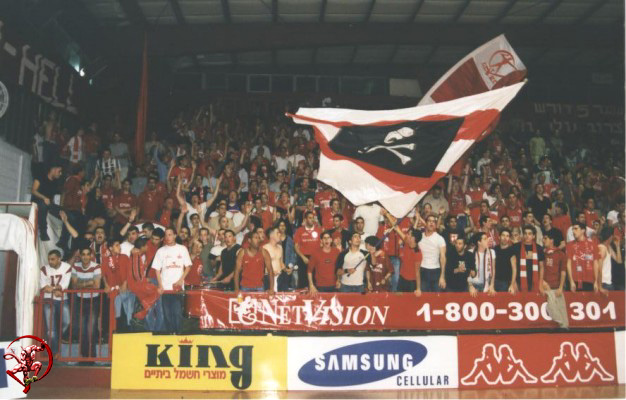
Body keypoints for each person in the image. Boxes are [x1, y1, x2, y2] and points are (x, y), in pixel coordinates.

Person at [152, 228, 192, 334]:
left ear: (175, 235)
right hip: (165, 288)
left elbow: (188, 266)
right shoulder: (160, 251)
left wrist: (180, 280)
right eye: (166, 235)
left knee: (177, 313)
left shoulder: (182, 249)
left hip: (177, 288)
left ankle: (178, 335)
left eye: (170, 234)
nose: (168, 237)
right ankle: (170, 335)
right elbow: (157, 269)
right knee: (167, 314)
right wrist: (160, 285)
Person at [70, 246, 101, 360]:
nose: (86, 257)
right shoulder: (75, 266)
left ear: (91, 255)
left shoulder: (96, 266)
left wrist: (81, 284)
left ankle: (92, 356)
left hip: (94, 300)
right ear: (80, 256)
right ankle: (83, 356)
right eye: (83, 254)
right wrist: (89, 283)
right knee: (82, 328)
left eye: (88, 254)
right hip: (80, 300)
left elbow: (97, 285)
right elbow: (74, 285)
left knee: (91, 328)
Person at [40, 249, 72, 356]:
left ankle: (56, 339)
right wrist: (55, 290)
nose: (50, 261)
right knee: (50, 329)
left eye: (53, 259)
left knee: (66, 322)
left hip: (63, 299)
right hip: (48, 300)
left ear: (59, 259)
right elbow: (44, 287)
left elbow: (64, 284)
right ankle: (54, 352)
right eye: (49, 259)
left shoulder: (66, 267)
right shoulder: (44, 269)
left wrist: (54, 289)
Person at [101, 239, 135, 332]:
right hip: (112, 292)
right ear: (111, 248)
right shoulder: (106, 260)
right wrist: (106, 285)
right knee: (114, 316)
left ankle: (126, 333)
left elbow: (130, 272)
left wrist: (125, 283)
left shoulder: (124, 257)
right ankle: (113, 336)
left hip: (125, 290)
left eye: (119, 245)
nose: (119, 247)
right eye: (116, 245)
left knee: (126, 313)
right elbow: (103, 274)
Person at [539, 230, 568, 328]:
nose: (543, 240)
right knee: (551, 307)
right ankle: (560, 324)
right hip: (546, 287)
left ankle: (565, 329)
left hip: (557, 287)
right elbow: (539, 269)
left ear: (551, 240)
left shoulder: (560, 254)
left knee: (562, 311)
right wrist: (542, 282)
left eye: (545, 238)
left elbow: (563, 272)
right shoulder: (542, 253)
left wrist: (561, 287)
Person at [31, 163, 63, 241]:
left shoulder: (55, 182)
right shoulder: (41, 177)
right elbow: (33, 191)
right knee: (43, 205)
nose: (60, 173)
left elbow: (58, 195)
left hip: (48, 203)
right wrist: (44, 198)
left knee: (63, 211)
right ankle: (43, 231)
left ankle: (62, 240)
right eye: (59, 171)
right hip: (37, 201)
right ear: (53, 169)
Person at [566, 222, 601, 292]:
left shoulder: (593, 245)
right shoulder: (570, 245)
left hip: (589, 281)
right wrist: (571, 281)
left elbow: (596, 264)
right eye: (572, 229)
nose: (573, 231)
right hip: (575, 281)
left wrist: (596, 282)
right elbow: (568, 264)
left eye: (576, 229)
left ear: (583, 230)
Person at [417, 215, 447, 292]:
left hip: (435, 271)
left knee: (436, 300)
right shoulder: (419, 237)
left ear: (436, 225)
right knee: (423, 299)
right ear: (426, 223)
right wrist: (418, 217)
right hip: (423, 271)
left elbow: (443, 257)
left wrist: (442, 276)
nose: (431, 223)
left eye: (433, 221)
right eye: (429, 221)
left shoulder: (440, 239)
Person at [294, 211, 322, 289]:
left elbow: (322, 245)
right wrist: (303, 257)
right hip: (304, 259)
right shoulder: (299, 230)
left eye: (313, 218)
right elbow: (296, 247)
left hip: (316, 258)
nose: (312, 219)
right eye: (310, 218)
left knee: (316, 281)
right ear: (305, 219)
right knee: (303, 282)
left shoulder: (319, 230)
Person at [515, 225, 545, 292]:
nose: (527, 236)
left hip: (534, 281)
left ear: (534, 236)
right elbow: (512, 266)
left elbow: (541, 267)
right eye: (525, 233)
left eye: (529, 234)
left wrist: (540, 284)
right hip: (519, 282)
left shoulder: (539, 248)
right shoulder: (516, 247)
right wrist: (513, 282)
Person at [393, 228, 423, 295]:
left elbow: (417, 272)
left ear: (413, 238)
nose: (406, 235)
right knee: (398, 298)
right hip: (402, 278)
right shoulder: (407, 243)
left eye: (409, 234)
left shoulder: (417, 254)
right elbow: (397, 229)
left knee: (409, 303)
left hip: (411, 283)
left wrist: (418, 289)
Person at [493, 228, 518, 293]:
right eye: (503, 235)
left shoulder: (512, 250)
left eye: (507, 236)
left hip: (505, 283)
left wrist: (512, 284)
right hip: (494, 281)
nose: (505, 238)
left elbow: (514, 269)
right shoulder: (495, 249)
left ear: (509, 238)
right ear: (499, 237)